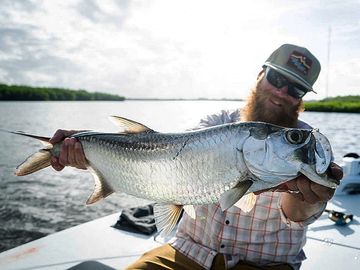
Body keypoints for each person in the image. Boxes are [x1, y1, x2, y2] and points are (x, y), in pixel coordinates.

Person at [50, 44, 343, 270]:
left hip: (266, 265)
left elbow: (297, 216)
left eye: (295, 88)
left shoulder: (307, 147)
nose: (281, 92)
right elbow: (166, 150)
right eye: (276, 78)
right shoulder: (216, 122)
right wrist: (90, 144)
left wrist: (311, 199)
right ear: (259, 75)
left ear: (302, 98)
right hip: (188, 253)